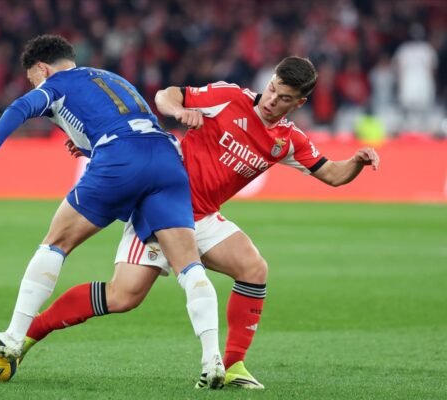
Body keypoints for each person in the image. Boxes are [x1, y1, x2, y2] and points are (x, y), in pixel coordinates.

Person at [20, 56, 380, 389]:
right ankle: (25, 336)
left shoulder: (288, 141)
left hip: (203, 217)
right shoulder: (229, 98)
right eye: (272, 88)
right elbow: (166, 94)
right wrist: (180, 110)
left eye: (284, 98)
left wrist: (357, 162)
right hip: (161, 204)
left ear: (299, 103)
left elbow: (333, 175)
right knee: (123, 296)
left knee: (254, 268)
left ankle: (233, 366)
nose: (272, 100)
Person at [0, 34, 225, 389]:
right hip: (167, 160)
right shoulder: (113, 78)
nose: (34, 85)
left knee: (56, 242)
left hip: (120, 158)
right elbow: (123, 120)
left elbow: (19, 108)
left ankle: (14, 337)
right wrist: (87, 147)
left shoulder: (56, 84)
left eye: (33, 79)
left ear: (42, 69)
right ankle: (212, 359)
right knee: (188, 266)